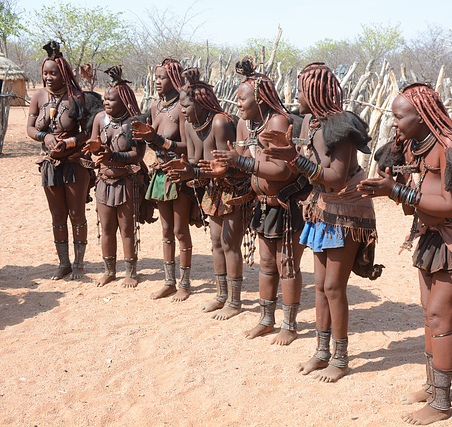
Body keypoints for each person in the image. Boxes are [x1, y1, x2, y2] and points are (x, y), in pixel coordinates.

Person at [357, 82, 452, 424]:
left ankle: (441, 405)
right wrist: (391, 191)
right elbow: (418, 200)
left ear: (423, 116)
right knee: (429, 315)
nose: (394, 123)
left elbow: (451, 205)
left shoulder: (450, 147)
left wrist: (397, 191)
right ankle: (433, 387)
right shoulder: (414, 146)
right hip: (432, 235)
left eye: (400, 116)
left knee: (441, 319)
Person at [262, 63, 383, 381]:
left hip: (346, 210)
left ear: (315, 93)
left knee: (333, 286)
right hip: (322, 207)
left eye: (301, 89)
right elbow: (314, 173)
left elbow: (335, 176)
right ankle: (321, 352)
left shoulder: (340, 128)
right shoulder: (310, 126)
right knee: (320, 288)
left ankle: (340, 360)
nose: (296, 95)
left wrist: (293, 158)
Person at [206, 57, 308, 345]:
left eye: (243, 99)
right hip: (263, 203)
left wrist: (240, 161)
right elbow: (248, 161)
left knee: (286, 264)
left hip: (288, 205)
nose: (238, 104)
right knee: (265, 262)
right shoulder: (244, 125)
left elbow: (281, 170)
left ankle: (289, 325)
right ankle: (266, 319)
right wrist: (226, 167)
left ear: (260, 98)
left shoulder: (278, 122)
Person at [162, 67, 249, 320]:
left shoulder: (220, 123)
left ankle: (234, 301)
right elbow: (193, 161)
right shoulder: (190, 126)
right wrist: (182, 169)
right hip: (212, 188)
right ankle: (222, 295)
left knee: (230, 243)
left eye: (186, 105)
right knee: (215, 242)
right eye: (181, 106)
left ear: (200, 103)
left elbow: (226, 168)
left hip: (234, 188)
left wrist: (194, 174)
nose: (182, 111)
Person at [26, 40, 94, 281]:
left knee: (76, 213)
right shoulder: (38, 96)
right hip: (49, 164)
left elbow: (88, 132)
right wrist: (46, 137)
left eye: (53, 73)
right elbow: (31, 129)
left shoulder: (77, 97)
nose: (48, 77)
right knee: (57, 215)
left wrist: (69, 142)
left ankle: (79, 263)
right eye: (45, 73)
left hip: (75, 163)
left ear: (63, 73)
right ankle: (63, 263)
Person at [131, 58, 197, 301]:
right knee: (166, 229)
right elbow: (153, 143)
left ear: (175, 78)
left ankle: (186, 284)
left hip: (178, 173)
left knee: (180, 230)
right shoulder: (155, 106)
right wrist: (147, 138)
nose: (157, 82)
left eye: (162, 78)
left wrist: (158, 140)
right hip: (160, 172)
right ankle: (169, 281)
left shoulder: (182, 107)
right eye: (156, 77)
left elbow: (190, 146)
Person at [82, 65, 146, 288]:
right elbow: (93, 146)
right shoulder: (100, 119)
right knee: (106, 227)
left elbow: (138, 155)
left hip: (126, 181)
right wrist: (96, 149)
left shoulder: (133, 123)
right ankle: (109, 270)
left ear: (124, 101)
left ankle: (130, 271)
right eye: (105, 99)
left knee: (127, 228)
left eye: (111, 100)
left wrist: (113, 155)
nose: (106, 103)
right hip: (103, 181)